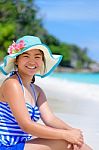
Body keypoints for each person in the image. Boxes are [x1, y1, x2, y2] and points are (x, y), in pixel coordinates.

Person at [0, 35, 92, 150]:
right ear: (17, 60)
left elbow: (50, 119)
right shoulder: (12, 84)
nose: (32, 61)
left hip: (23, 143)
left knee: (76, 143)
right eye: (26, 56)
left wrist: (72, 132)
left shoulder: (37, 90)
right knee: (64, 141)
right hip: (6, 146)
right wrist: (65, 135)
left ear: (42, 61)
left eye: (37, 57)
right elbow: (26, 125)